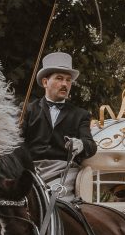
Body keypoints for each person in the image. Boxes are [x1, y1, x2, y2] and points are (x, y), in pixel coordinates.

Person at [21, 51, 97, 201]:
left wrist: (80, 144)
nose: (65, 84)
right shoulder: (28, 110)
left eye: (68, 80)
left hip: (63, 172)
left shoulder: (80, 114)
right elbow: (17, 142)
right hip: (30, 171)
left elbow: (91, 145)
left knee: (56, 202)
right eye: (59, 78)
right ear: (45, 82)